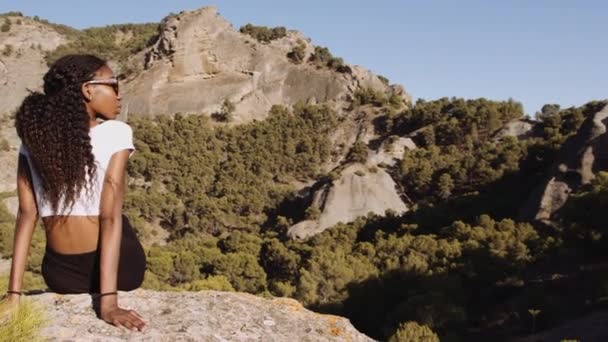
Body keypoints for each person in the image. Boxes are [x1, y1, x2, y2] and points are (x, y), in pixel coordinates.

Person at [4, 54, 147, 332]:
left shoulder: (32, 139)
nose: (119, 96)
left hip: (60, 275)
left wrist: (14, 294)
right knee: (119, 215)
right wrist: (108, 303)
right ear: (87, 89)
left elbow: (26, 215)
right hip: (122, 272)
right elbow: (110, 217)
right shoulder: (117, 132)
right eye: (114, 85)